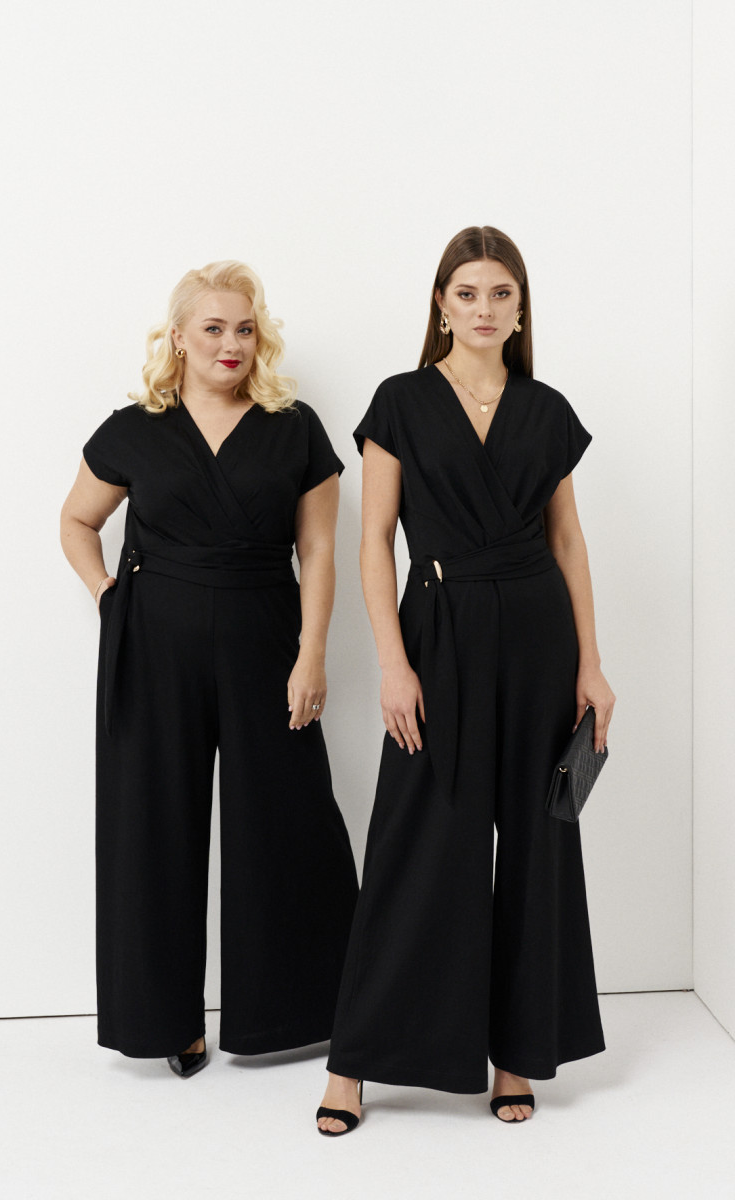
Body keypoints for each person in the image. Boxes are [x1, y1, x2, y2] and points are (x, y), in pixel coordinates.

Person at [315, 226, 615, 1135]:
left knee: (535, 845)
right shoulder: (402, 401)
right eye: (468, 293)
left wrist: (592, 663)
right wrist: (393, 662)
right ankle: (353, 1064)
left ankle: (516, 1056)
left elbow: (567, 540)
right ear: (441, 305)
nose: (485, 309)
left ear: (521, 309)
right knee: (415, 845)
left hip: (537, 636)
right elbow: (375, 541)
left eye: (501, 294)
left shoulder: (546, 409)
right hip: (437, 631)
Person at [60, 261, 358, 1076]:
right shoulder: (135, 427)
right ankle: (167, 1023)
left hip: (268, 640)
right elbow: (77, 521)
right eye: (214, 328)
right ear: (180, 338)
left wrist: (312, 653)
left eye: (245, 329)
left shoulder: (294, 428)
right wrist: (110, 597)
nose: (231, 343)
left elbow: (319, 550)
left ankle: (295, 1013)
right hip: (152, 645)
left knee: (288, 820)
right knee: (151, 827)